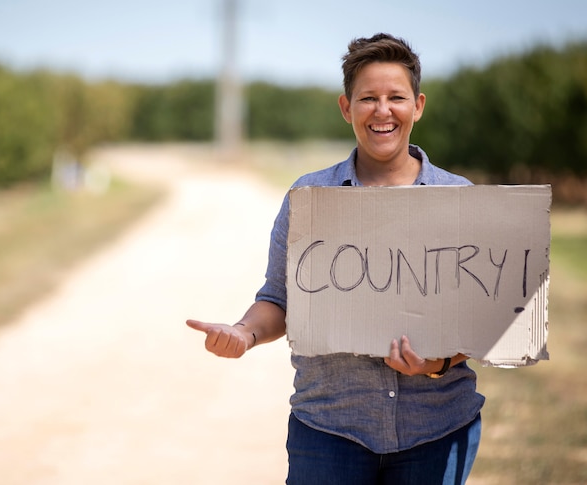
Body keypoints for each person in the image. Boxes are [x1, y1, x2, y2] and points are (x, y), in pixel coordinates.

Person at [186, 33, 485, 485]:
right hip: (328, 432)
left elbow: (487, 318)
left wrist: (435, 364)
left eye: (395, 98)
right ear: (346, 108)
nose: (382, 110)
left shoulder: (460, 199)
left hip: (436, 430)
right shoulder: (309, 198)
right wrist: (244, 333)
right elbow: (279, 299)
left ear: (418, 105)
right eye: (368, 98)